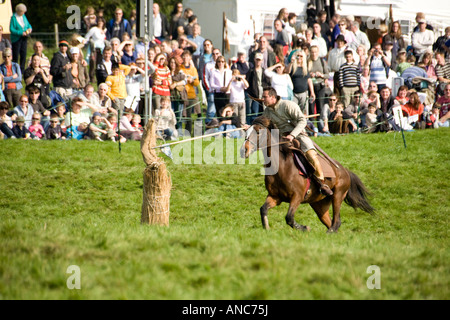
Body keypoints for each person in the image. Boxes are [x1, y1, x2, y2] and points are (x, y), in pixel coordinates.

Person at [261, 86, 333, 196]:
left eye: (264, 97)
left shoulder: (288, 105)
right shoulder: (267, 111)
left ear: (272, 97)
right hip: (281, 139)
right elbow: (262, 124)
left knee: (311, 155)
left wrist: (292, 135)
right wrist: (251, 127)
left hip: (298, 135)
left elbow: (302, 120)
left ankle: (322, 183)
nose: (262, 99)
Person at [287, 50, 315, 115]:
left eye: (301, 56)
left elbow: (309, 80)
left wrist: (312, 92)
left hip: (303, 93)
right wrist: (291, 62)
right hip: (294, 93)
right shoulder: (293, 67)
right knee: (293, 112)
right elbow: (287, 71)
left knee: (304, 112)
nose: (299, 57)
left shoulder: (305, 68)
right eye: (298, 56)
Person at [246, 52, 271, 125]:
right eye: (257, 60)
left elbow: (268, 83)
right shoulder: (251, 71)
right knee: (254, 113)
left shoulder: (264, 71)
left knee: (264, 113)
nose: (258, 61)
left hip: (263, 95)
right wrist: (252, 93)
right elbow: (248, 84)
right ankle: (253, 128)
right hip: (255, 96)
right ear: (254, 60)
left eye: (259, 60)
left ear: (262, 60)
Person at [179, 50, 200, 135]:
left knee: (197, 114)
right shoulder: (180, 68)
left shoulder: (193, 69)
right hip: (183, 94)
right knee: (186, 116)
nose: (185, 58)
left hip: (192, 94)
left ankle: (195, 132)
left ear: (190, 58)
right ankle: (186, 133)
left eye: (187, 56)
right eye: (184, 56)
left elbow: (197, 82)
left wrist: (192, 81)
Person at [9, 3, 32, 72]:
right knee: (16, 55)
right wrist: (20, 33)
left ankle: (22, 70)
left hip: (24, 38)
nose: (23, 13)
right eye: (22, 11)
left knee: (23, 54)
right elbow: (11, 29)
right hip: (16, 39)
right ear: (18, 11)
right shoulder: (13, 18)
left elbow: (28, 25)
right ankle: (15, 69)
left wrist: (29, 29)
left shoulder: (24, 17)